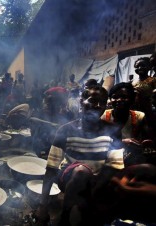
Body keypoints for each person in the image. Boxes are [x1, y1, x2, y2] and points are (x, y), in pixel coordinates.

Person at [36, 86, 125, 226]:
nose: (98, 106)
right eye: (93, 100)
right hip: (70, 177)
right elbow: (51, 169)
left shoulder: (112, 131)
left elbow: (114, 167)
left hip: (97, 181)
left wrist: (94, 194)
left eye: (102, 102)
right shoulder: (66, 130)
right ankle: (64, 218)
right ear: (81, 102)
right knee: (81, 172)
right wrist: (43, 206)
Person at [101, 82, 153, 166]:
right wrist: (123, 142)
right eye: (114, 97)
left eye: (124, 97)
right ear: (110, 99)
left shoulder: (139, 116)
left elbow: (147, 138)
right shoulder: (103, 116)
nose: (119, 100)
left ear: (132, 99)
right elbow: (97, 142)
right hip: (108, 157)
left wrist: (145, 145)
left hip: (132, 157)